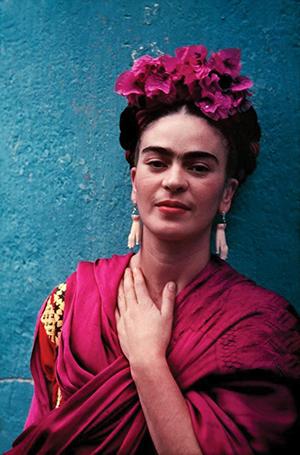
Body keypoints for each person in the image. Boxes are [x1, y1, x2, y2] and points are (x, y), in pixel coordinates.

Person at [6, 44, 300, 455]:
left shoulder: (259, 329)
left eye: (198, 166)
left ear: (227, 194)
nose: (174, 181)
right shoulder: (72, 304)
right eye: (157, 163)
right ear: (134, 179)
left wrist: (148, 363)